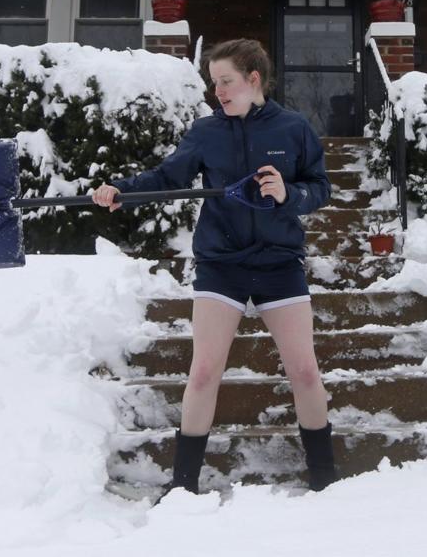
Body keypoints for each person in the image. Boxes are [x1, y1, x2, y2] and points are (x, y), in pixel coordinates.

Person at [92, 38, 338, 495]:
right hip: (221, 263)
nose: (219, 92)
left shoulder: (293, 128)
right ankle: (183, 485)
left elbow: (320, 187)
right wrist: (120, 191)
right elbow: (168, 177)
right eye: (214, 84)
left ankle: (325, 477)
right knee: (204, 371)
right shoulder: (207, 132)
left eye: (226, 82)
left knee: (304, 371)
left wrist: (291, 195)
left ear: (253, 79)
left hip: (278, 262)